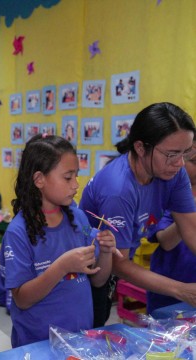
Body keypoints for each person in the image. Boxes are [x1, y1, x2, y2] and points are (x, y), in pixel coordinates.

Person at [79, 102, 196, 328]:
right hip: (85, 269)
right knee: (86, 330)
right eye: (172, 154)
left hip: (111, 262)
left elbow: (191, 229)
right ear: (141, 147)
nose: (180, 163)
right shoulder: (118, 189)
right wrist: (181, 290)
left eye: (186, 153)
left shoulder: (174, 174)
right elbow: (117, 262)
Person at [0, 134, 116, 346]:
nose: (76, 184)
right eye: (68, 177)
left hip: (80, 338)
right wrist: (61, 266)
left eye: (76, 176)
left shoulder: (77, 217)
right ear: (39, 180)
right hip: (38, 344)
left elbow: (98, 280)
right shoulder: (18, 232)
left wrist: (106, 251)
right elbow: (22, 299)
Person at [147, 141, 196, 314]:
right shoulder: (166, 191)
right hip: (168, 287)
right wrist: (186, 215)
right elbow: (166, 242)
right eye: (194, 160)